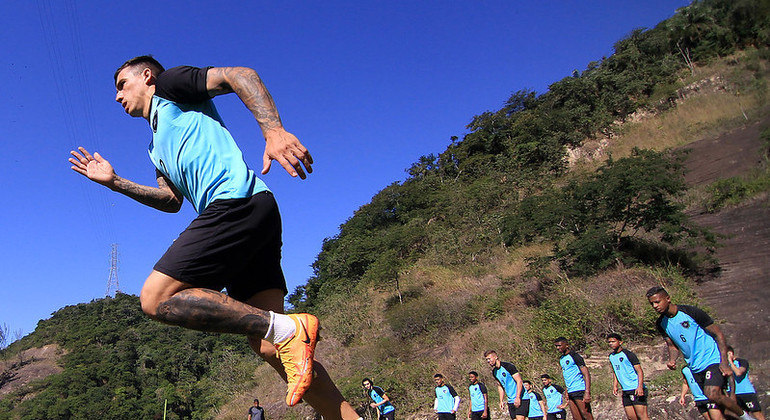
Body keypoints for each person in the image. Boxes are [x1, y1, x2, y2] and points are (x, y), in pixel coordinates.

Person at [69, 56, 360, 419]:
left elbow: (240, 75)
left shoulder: (171, 87)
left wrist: (273, 131)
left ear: (146, 76)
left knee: (156, 298)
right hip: (255, 212)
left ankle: (288, 327)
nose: (117, 97)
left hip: (234, 201)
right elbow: (171, 201)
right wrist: (115, 183)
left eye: (121, 85)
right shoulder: (155, 148)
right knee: (270, 349)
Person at [646, 286, 755, 420]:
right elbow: (672, 346)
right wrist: (672, 360)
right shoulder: (661, 323)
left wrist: (724, 362)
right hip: (695, 367)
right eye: (652, 304)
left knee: (712, 394)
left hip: (712, 360)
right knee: (717, 407)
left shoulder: (690, 311)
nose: (655, 306)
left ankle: (748, 418)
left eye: (657, 302)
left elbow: (718, 334)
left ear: (668, 299)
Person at [607, 333, 649, 420]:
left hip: (635, 388)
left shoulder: (628, 354)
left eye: (613, 341)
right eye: (609, 342)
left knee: (642, 416)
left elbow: (639, 371)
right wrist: (615, 385)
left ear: (620, 342)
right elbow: (615, 371)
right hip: (625, 390)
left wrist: (640, 386)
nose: (611, 344)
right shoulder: (611, 356)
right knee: (631, 417)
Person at [554, 337, 593, 420]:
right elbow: (567, 375)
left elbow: (586, 374)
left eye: (560, 345)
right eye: (556, 346)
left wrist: (587, 392)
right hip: (571, 390)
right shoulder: (562, 359)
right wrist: (567, 390)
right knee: (576, 417)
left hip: (579, 389)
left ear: (567, 345)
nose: (558, 348)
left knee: (586, 414)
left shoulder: (575, 356)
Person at [483, 350, 528, 420]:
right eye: (487, 360)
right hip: (510, 400)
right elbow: (500, 386)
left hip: (521, 398)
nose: (488, 361)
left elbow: (519, 381)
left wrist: (518, 397)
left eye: (489, 359)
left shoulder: (508, 366)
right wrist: (501, 400)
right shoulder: (494, 372)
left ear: (496, 357)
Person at [727, 346, 765, 420]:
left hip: (746, 393)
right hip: (733, 395)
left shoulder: (741, 362)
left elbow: (738, 372)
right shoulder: (722, 365)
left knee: (758, 415)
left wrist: (730, 362)